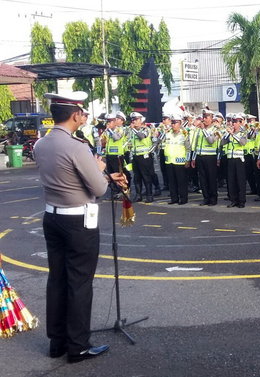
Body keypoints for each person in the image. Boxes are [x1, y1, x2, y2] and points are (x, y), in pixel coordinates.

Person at [34, 91, 126, 363]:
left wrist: (102, 173)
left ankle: (58, 342)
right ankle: (78, 346)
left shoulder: (41, 144)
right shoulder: (77, 147)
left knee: (57, 279)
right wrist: (100, 170)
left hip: (52, 216)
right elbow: (97, 188)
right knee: (79, 283)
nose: (84, 116)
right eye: (83, 113)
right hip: (78, 221)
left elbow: (65, 177)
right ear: (75, 115)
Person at [191, 109, 221, 206]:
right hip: (200, 156)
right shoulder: (199, 130)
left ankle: (213, 198)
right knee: (202, 179)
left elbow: (211, 141)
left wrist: (204, 129)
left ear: (212, 118)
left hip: (210, 157)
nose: (204, 119)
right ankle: (206, 197)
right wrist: (193, 158)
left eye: (206, 117)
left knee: (211, 178)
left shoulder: (216, 129)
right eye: (203, 117)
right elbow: (196, 144)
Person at [128, 112, 156, 203]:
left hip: (145, 157)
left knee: (146, 177)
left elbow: (141, 136)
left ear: (141, 120)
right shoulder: (131, 131)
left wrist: (134, 130)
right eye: (133, 120)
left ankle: (149, 195)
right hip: (136, 157)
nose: (134, 122)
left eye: (136, 120)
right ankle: (138, 195)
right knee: (137, 177)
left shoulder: (146, 129)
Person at [223, 113, 249, 208]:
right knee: (231, 180)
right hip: (230, 158)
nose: (233, 124)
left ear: (240, 123)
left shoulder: (243, 133)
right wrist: (227, 134)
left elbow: (243, 142)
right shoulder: (229, 133)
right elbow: (222, 143)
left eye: (235, 122)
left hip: (239, 159)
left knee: (240, 181)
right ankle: (233, 200)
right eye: (232, 121)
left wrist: (233, 134)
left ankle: (241, 201)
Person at [164, 114, 191, 205]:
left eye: (175, 123)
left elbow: (188, 148)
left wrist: (188, 160)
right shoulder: (167, 133)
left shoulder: (184, 134)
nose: (173, 125)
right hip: (169, 161)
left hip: (180, 161)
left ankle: (183, 198)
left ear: (180, 123)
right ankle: (174, 198)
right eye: (172, 123)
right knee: (171, 181)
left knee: (181, 182)